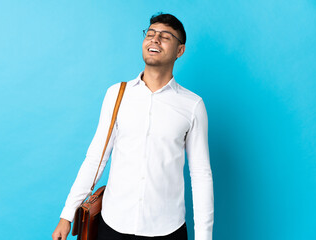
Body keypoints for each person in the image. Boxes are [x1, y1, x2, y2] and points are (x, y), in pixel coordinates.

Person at [52, 13, 214, 240]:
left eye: (165, 36)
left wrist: (204, 236)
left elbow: (201, 175)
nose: (155, 39)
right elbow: (95, 158)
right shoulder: (117, 94)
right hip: (113, 225)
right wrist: (67, 214)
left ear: (180, 50)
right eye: (150, 34)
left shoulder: (193, 105)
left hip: (167, 228)